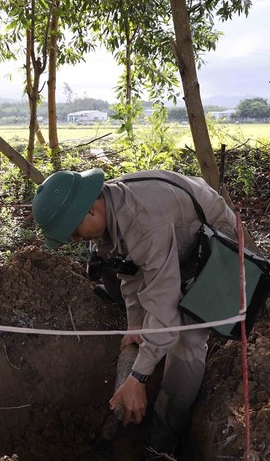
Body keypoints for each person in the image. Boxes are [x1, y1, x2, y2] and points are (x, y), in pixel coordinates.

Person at [31, 168, 238, 459]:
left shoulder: (142, 221)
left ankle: (163, 442)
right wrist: (135, 326)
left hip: (214, 238)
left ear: (90, 210)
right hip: (171, 236)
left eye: (73, 233)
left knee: (187, 336)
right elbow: (129, 271)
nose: (75, 241)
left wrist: (138, 377)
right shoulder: (108, 208)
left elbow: (165, 307)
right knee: (152, 317)